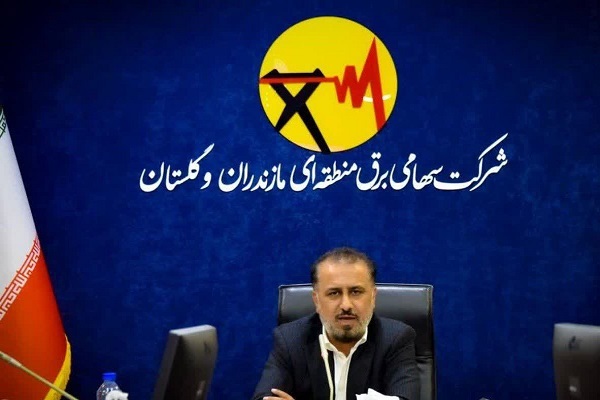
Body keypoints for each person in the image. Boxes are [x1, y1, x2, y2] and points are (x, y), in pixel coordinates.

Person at [252, 247, 420, 400]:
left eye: (356, 292)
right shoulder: (290, 340)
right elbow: (264, 398)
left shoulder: (396, 339)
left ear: (373, 297)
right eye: (334, 293)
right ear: (316, 300)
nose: (346, 305)